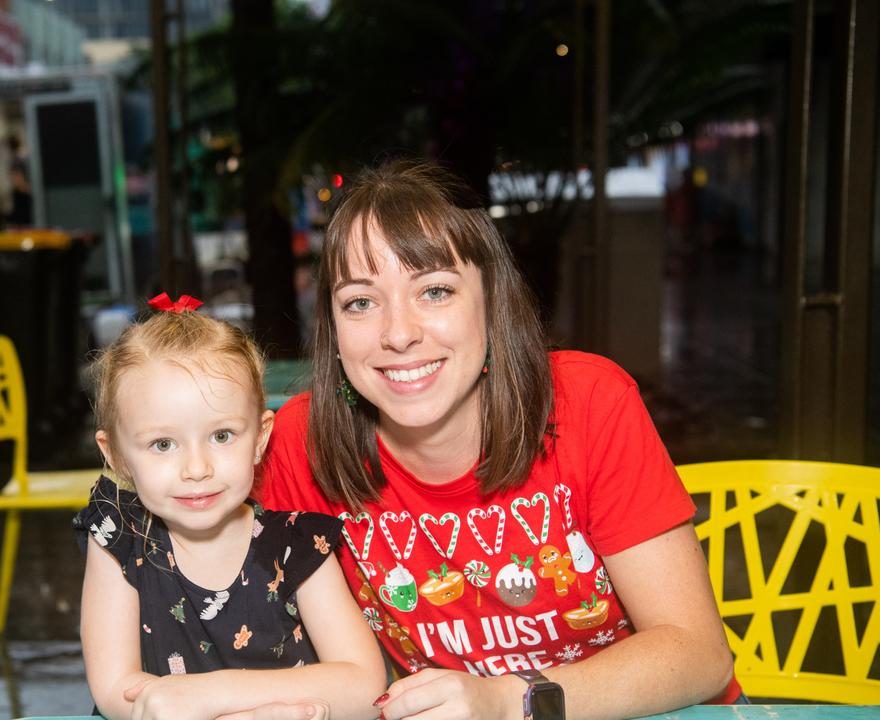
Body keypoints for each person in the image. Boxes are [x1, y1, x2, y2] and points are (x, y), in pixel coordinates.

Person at [258, 161, 739, 720]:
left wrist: (511, 702)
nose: (398, 333)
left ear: (492, 303)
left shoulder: (589, 402)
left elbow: (700, 655)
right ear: (333, 331)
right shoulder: (300, 442)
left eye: (434, 291)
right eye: (360, 302)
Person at [74, 294, 387, 720]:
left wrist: (209, 698)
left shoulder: (299, 544)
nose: (197, 468)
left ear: (259, 438)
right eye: (163, 444)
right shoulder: (119, 539)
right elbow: (115, 689)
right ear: (117, 457)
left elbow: (366, 687)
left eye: (221, 436)